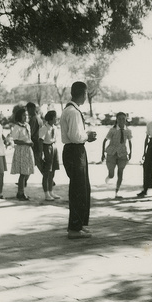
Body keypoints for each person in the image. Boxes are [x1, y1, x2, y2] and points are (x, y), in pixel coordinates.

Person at [60, 81, 97, 239]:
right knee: (78, 189)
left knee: (82, 188)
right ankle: (74, 228)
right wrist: (87, 136)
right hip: (75, 150)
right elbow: (75, 137)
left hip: (75, 150)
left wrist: (84, 136)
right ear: (83, 94)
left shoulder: (70, 110)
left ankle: (79, 223)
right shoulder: (73, 112)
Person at [101, 112, 133, 198]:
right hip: (112, 153)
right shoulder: (112, 130)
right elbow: (104, 141)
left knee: (120, 173)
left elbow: (130, 142)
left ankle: (117, 192)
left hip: (122, 153)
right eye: (119, 119)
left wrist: (130, 153)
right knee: (112, 174)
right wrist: (102, 154)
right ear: (117, 120)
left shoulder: (128, 131)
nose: (122, 121)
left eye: (123, 119)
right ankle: (109, 176)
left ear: (126, 119)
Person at [10, 106, 34, 201]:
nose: (26, 117)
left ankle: (22, 190)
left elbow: (28, 137)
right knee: (23, 173)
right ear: (20, 116)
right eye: (24, 115)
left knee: (28, 170)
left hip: (28, 150)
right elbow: (15, 141)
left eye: (27, 115)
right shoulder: (17, 127)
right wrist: (25, 143)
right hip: (21, 150)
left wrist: (30, 142)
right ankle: (20, 192)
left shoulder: (27, 125)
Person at [38, 110, 61, 201]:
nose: (56, 119)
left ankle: (51, 191)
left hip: (53, 147)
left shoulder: (54, 128)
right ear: (51, 118)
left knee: (53, 170)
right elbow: (40, 141)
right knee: (47, 172)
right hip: (47, 147)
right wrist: (41, 153)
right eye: (55, 117)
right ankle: (46, 193)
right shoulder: (44, 128)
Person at [26, 101, 44, 174]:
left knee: (37, 162)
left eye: (28, 109)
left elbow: (31, 133)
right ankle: (24, 180)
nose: (27, 111)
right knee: (32, 163)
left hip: (35, 144)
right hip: (39, 142)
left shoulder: (34, 119)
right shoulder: (39, 118)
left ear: (32, 109)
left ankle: (49, 180)